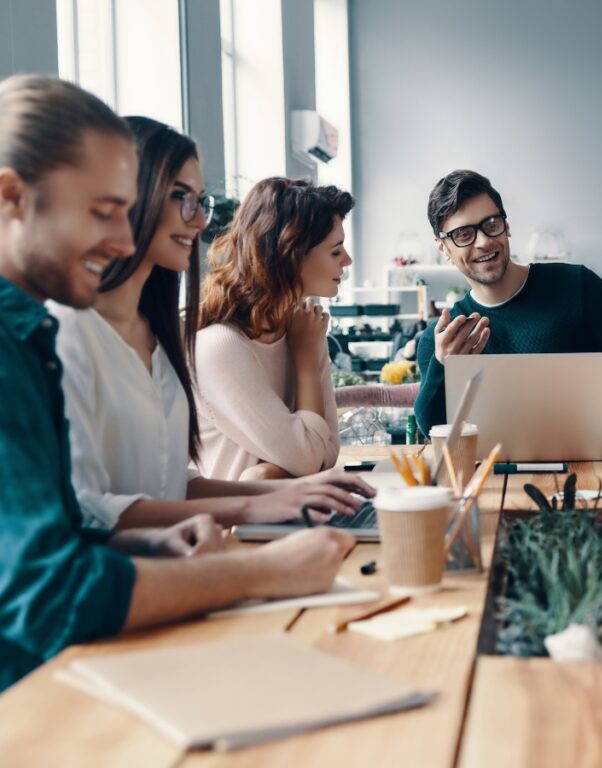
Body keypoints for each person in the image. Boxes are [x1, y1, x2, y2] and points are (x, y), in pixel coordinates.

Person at [0, 75, 354, 691]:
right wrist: (261, 569)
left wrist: (154, 545)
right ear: (11, 199)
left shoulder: (47, 336)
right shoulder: (46, 338)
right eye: (105, 212)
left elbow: (75, 529)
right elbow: (48, 589)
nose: (121, 238)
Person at [51, 117, 373, 529]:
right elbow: (89, 512)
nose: (202, 220)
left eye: (200, 201)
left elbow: (174, 484)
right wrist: (267, 497)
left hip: (183, 558)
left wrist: (290, 494)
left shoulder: (161, 335)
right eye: (183, 198)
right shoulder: (71, 333)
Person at [413, 169, 602, 435]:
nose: (483, 241)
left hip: (586, 470)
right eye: (463, 234)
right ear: (443, 248)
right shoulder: (444, 340)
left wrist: (594, 427)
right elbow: (432, 428)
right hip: (491, 474)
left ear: (507, 226)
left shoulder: (576, 285)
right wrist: (442, 364)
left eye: (492, 224)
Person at [194, 178, 351, 481]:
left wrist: (268, 472)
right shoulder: (221, 346)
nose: (347, 261)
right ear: (291, 256)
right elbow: (308, 459)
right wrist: (305, 355)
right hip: (235, 526)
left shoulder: (303, 327)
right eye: (335, 252)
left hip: (289, 514)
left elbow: (327, 453)